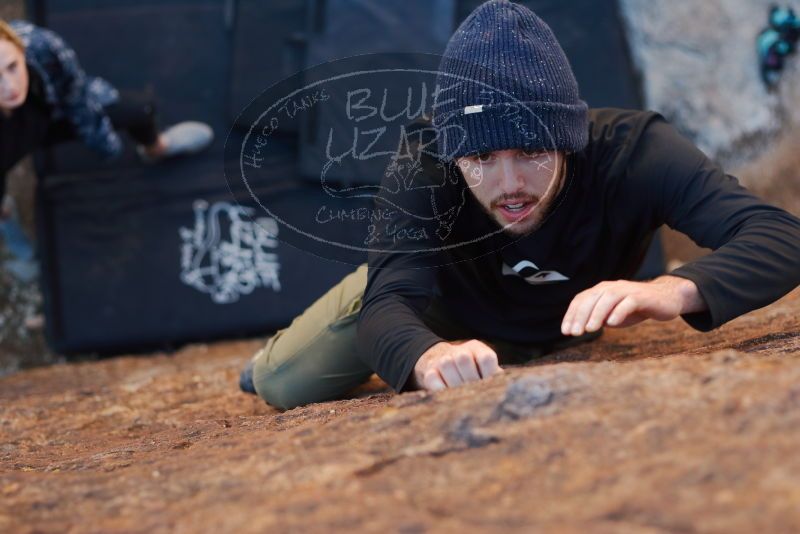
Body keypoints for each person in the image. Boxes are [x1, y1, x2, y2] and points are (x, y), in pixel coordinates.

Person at [239, 0, 800, 409]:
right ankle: (272, 356)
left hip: (556, 324)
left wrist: (672, 289)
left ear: (567, 138)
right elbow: (390, 300)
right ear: (456, 152)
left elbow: (780, 235)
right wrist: (427, 355)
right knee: (282, 385)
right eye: (481, 157)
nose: (508, 182)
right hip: (440, 307)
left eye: (531, 150)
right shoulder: (426, 159)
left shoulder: (635, 150)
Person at [0, 19, 213, 280]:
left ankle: (156, 148)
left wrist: (98, 136)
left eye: (12, 67)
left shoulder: (41, 46)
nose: (11, 87)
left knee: (140, 110)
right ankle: (21, 248)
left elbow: (75, 89)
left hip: (54, 112)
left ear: (19, 49)